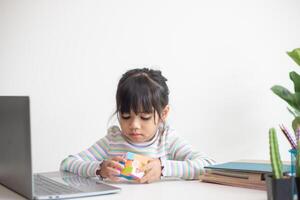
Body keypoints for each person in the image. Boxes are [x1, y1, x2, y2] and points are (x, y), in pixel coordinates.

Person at [60, 68, 215, 183]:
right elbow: (67, 163)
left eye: (145, 117)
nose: (134, 125)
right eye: (125, 116)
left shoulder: (166, 140)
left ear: (164, 113)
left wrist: (163, 168)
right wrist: (99, 168)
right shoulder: (113, 141)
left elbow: (208, 165)